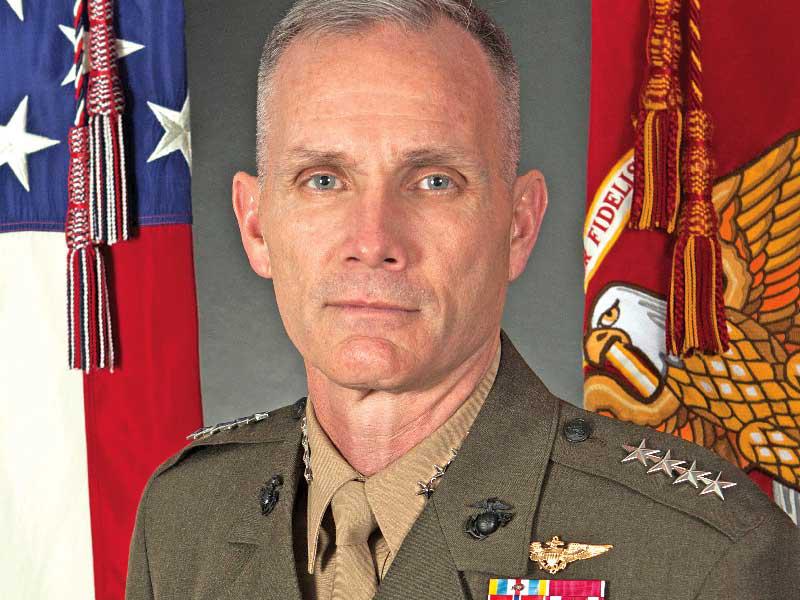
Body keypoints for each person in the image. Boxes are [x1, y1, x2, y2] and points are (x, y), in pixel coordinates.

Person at [125, 1, 800, 598]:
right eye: (323, 179)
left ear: (519, 226)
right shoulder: (186, 518)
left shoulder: (701, 556)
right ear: (255, 227)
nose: (373, 241)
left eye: (434, 181)